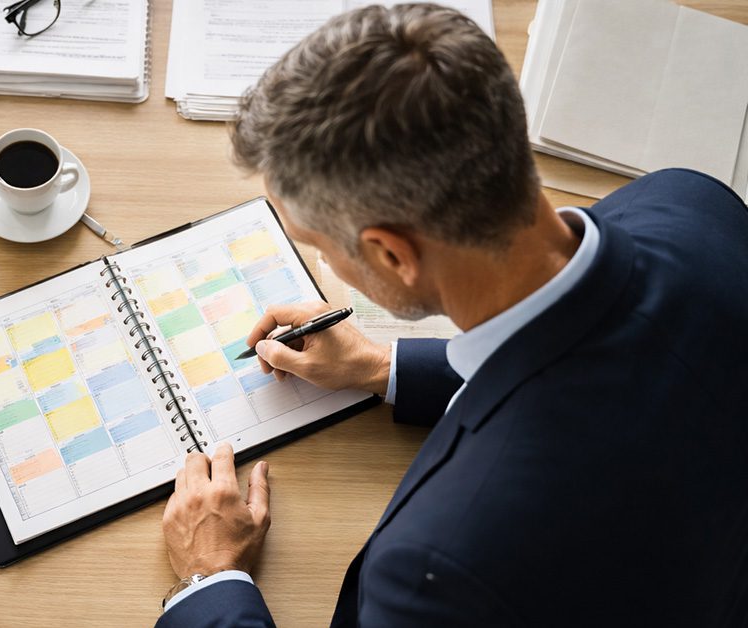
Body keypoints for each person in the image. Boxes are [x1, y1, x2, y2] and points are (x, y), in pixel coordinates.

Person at [154, 4, 748, 627]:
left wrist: (211, 579)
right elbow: (625, 356)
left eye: (319, 246)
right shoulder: (689, 202)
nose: (322, 259)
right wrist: (387, 368)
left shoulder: (434, 571)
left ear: (391, 254)